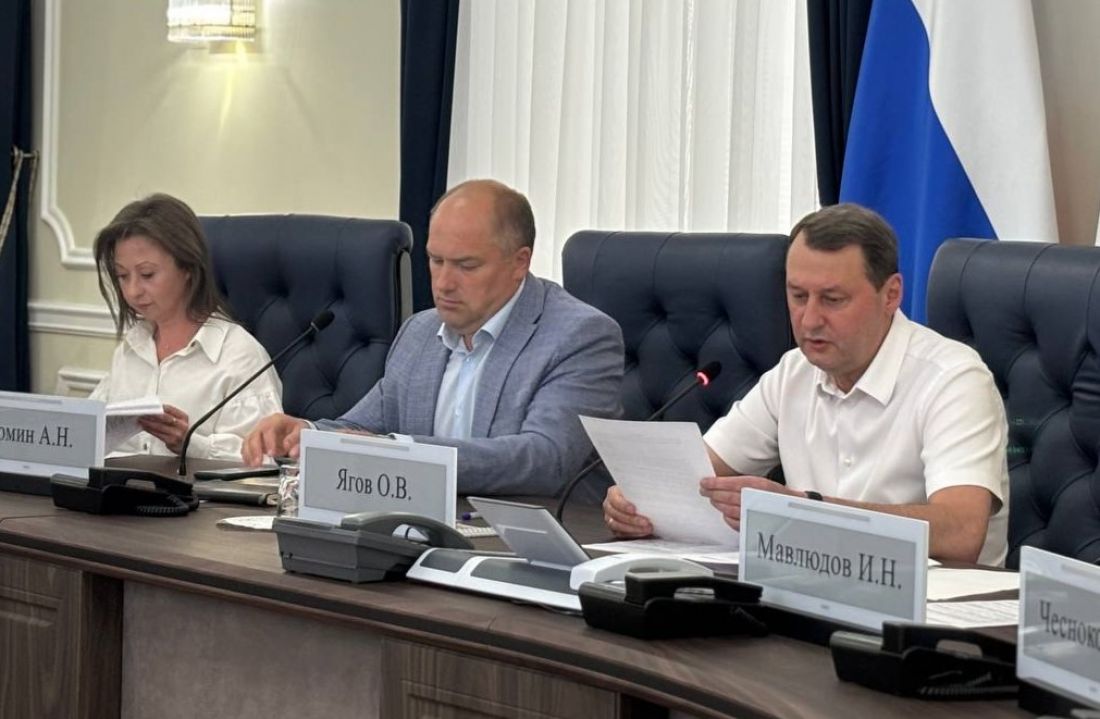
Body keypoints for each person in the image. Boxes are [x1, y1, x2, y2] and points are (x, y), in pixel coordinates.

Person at [603, 204, 1009, 565]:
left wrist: (805, 512)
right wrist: (639, 500)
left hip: (934, 611)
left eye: (833, 300)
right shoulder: (794, 372)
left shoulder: (953, 379)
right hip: (812, 592)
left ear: (891, 295)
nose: (810, 320)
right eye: (798, 296)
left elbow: (960, 533)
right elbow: (697, 478)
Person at [243, 179, 624, 496]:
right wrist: (306, 435)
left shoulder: (578, 336)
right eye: (435, 260)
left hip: (531, 543)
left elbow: (544, 460)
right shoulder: (420, 332)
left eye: (466, 265)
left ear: (519, 262)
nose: (443, 283)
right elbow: (365, 428)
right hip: (424, 532)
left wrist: (402, 454)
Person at [90, 193, 282, 460]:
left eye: (147, 274)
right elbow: (87, 431)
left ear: (188, 267)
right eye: (122, 276)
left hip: (192, 489)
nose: (133, 291)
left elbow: (264, 462)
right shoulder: (131, 347)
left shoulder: (240, 357)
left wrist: (192, 444)